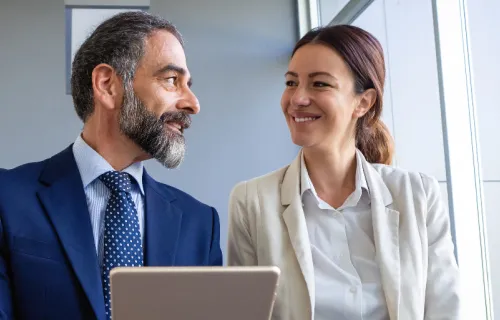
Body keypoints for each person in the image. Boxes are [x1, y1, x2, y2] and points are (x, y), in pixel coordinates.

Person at [227, 25, 459, 320]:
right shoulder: (252, 202)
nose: (297, 98)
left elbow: (446, 309)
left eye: (320, 84)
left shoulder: (418, 195)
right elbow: (246, 313)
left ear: (364, 102)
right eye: (290, 82)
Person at [0, 11, 222, 320]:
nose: (193, 103)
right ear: (107, 85)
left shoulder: (200, 223)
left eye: (188, 84)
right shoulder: (7, 198)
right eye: (172, 80)